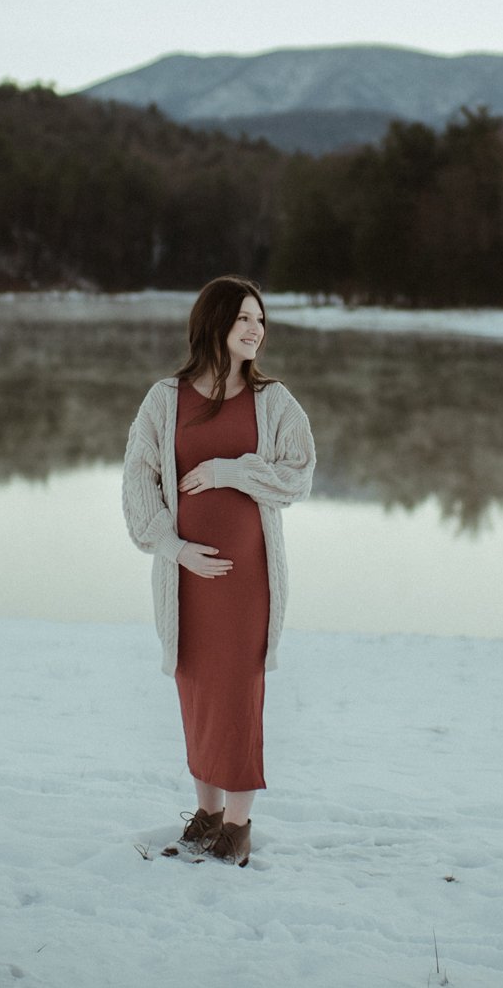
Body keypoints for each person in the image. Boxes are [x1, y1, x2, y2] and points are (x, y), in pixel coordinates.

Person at [121, 275, 315, 866]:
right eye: (244, 320)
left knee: (239, 694)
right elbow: (139, 482)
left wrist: (232, 471)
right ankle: (206, 814)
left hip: (246, 580)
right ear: (215, 325)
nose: (256, 330)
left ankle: (238, 825)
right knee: (196, 689)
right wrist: (174, 550)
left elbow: (298, 474)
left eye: (261, 320)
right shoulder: (165, 399)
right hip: (185, 582)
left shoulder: (273, 401)